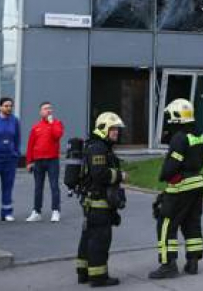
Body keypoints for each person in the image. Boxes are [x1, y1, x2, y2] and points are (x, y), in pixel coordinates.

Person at [148, 99, 203, 279]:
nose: (168, 120)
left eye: (170, 116)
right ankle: (193, 262)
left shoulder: (179, 137)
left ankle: (168, 264)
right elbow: (201, 160)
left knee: (165, 223)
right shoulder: (200, 134)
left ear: (176, 116)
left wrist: (163, 175)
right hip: (197, 183)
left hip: (180, 186)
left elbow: (173, 164)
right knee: (192, 223)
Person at [76, 112, 126, 287]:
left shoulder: (99, 145)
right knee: (100, 239)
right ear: (104, 128)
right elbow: (99, 174)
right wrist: (120, 175)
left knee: (88, 237)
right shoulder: (98, 148)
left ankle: (83, 272)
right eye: (113, 129)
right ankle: (98, 277)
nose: (116, 132)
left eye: (117, 129)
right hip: (98, 203)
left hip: (92, 201)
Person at [26, 101, 65, 223]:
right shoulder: (36, 127)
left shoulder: (57, 123)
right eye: (45, 108)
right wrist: (29, 162)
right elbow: (30, 145)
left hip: (52, 160)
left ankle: (55, 211)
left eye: (50, 108)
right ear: (40, 112)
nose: (48, 110)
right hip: (38, 161)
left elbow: (57, 135)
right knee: (38, 187)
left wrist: (52, 122)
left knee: (54, 186)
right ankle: (36, 212)